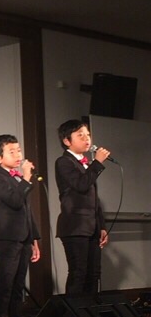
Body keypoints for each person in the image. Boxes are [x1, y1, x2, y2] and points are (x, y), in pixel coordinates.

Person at [0, 135, 41, 317]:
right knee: (5, 285)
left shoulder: (18, 178)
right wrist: (26, 178)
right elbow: (15, 201)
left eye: (19, 150)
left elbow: (28, 210)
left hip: (24, 237)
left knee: (18, 286)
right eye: (12, 151)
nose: (18, 155)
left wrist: (34, 240)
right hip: (8, 238)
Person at [55, 119, 110, 296]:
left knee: (94, 274)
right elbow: (81, 185)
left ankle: (90, 311)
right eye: (80, 135)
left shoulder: (86, 164)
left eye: (88, 135)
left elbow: (94, 200)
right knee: (78, 273)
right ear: (67, 141)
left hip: (92, 227)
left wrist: (102, 226)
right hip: (75, 227)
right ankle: (73, 313)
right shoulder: (64, 162)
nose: (86, 138)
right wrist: (97, 163)